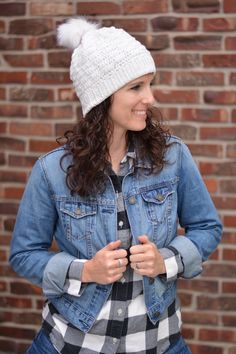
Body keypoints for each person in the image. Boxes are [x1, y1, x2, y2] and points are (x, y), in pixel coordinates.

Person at [9, 17, 222, 354]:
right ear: (103, 97)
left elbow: (207, 227)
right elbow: (23, 254)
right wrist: (85, 270)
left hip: (160, 344)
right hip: (71, 345)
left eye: (150, 84)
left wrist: (165, 261)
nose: (150, 98)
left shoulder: (173, 157)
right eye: (136, 87)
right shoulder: (52, 170)